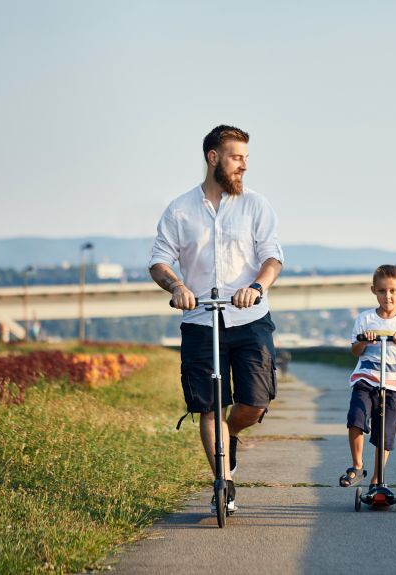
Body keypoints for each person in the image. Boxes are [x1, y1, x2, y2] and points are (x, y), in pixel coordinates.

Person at [149, 124, 283, 513]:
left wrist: (257, 286)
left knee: (254, 404)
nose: (243, 166)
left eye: (245, 159)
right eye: (236, 157)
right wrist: (176, 286)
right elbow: (159, 262)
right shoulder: (179, 209)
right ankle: (222, 484)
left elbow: (272, 257)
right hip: (200, 321)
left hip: (249, 318)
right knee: (208, 406)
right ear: (213, 158)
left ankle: (229, 437)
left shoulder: (256, 205)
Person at [339, 265, 396, 491]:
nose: (388, 296)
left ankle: (378, 478)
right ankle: (357, 466)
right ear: (374, 291)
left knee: (384, 430)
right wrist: (364, 341)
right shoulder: (365, 319)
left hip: (393, 383)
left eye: (393, 291)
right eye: (382, 291)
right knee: (357, 416)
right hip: (366, 378)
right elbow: (355, 350)